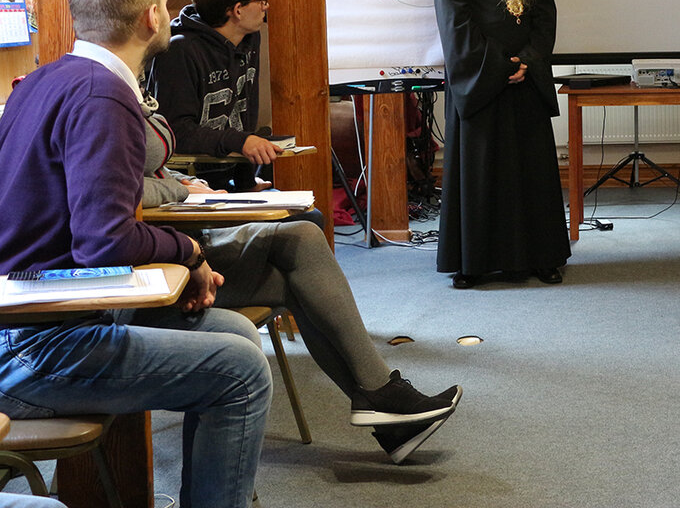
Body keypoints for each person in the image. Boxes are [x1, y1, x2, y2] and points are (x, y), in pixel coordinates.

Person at [0, 0, 271, 508]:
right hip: (37, 342)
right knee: (241, 370)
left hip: (37, 308)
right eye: (168, 6)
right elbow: (104, 240)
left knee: (236, 335)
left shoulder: (43, 80)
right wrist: (190, 250)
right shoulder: (105, 96)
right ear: (152, 17)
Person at [142, 111, 460, 463]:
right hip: (163, 269)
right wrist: (178, 188)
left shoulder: (127, 90)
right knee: (302, 251)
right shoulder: (101, 94)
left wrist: (181, 181)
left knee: (303, 248)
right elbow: (121, 186)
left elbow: (148, 171)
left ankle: (385, 402)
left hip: (184, 241)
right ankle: (383, 399)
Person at [433, 0, 571, 289]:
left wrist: (528, 60)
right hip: (482, 87)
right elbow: (455, 24)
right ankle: (473, 262)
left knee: (532, 177)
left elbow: (544, 15)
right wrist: (496, 68)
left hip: (525, 83)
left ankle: (542, 257)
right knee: (481, 177)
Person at [146, 0, 279, 192]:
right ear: (237, 10)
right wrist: (240, 142)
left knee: (310, 215)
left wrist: (246, 183)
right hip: (192, 185)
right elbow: (176, 130)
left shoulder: (249, 38)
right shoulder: (179, 50)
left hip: (230, 178)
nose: (266, 5)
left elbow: (243, 115)